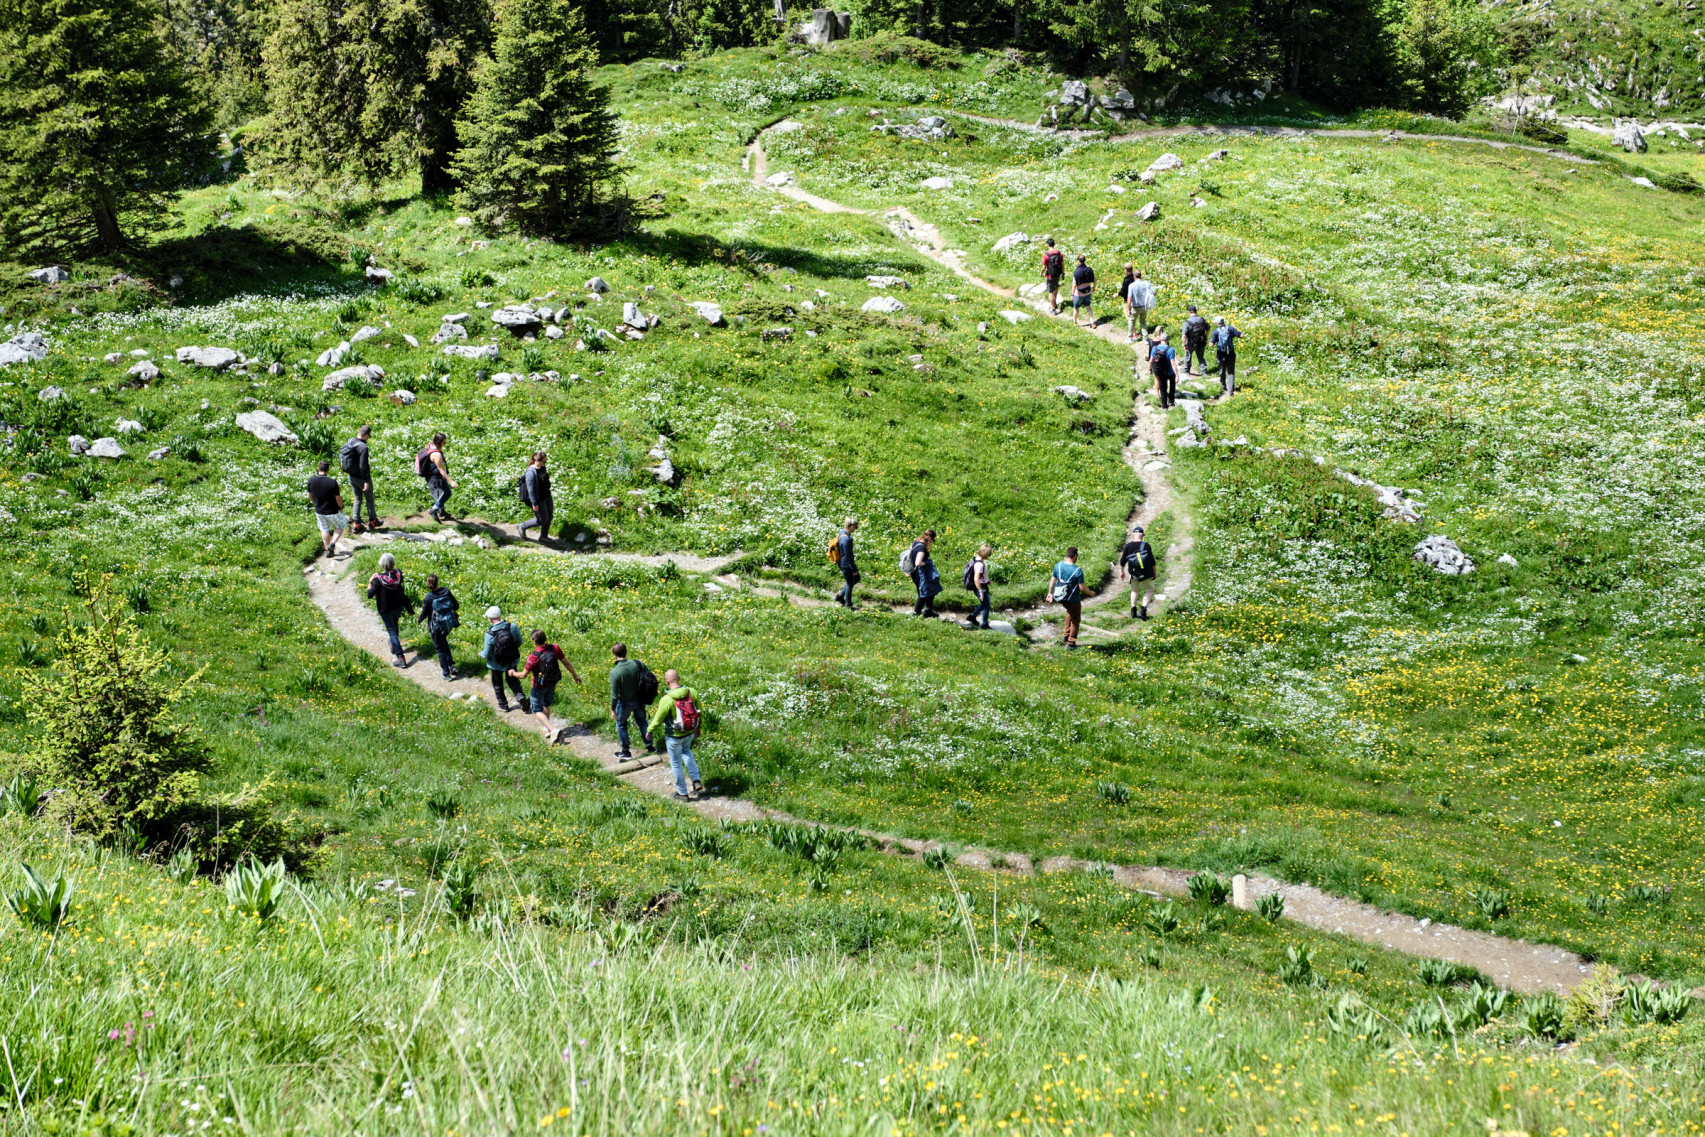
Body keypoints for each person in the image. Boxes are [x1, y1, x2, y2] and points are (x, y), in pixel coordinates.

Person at [509, 629, 582, 743]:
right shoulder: (555, 648)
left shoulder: (533, 657)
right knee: (546, 704)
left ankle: (553, 730)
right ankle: (546, 729)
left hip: (539, 686)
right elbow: (566, 663)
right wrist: (575, 675)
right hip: (552, 682)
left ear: (534, 641)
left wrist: (512, 673)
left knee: (536, 709)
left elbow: (523, 675)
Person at [647, 669, 704, 801]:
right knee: (687, 752)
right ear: (679, 678)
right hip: (689, 731)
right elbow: (700, 712)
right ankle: (696, 780)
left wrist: (650, 730)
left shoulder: (667, 699)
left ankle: (683, 793)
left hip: (674, 736)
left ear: (667, 682)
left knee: (676, 763)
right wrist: (699, 727)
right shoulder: (692, 692)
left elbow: (658, 719)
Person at [608, 642, 656, 760]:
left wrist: (613, 709)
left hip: (624, 703)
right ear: (626, 651)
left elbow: (614, 695)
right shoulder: (638, 664)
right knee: (642, 722)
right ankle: (650, 746)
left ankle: (626, 752)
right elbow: (650, 678)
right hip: (640, 700)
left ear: (614, 654)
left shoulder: (615, 672)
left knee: (621, 724)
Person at [365, 552, 414, 667]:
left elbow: (369, 594)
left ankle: (400, 658)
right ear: (393, 563)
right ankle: (394, 646)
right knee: (394, 626)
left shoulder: (377, 579)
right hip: (398, 606)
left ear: (381, 564)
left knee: (392, 632)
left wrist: (370, 582)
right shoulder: (398, 574)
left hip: (385, 608)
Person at [479, 606, 526, 712]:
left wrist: (480, 654)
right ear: (500, 615)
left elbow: (486, 653)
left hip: (496, 664)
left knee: (497, 684)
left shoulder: (489, 634)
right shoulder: (512, 627)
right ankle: (520, 697)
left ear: (490, 618)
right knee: (513, 680)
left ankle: (503, 705)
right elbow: (519, 641)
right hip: (511, 660)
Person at [417, 573, 461, 681]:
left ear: (428, 584)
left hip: (436, 626)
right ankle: (451, 665)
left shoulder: (429, 598)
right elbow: (456, 606)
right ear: (437, 582)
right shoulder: (446, 591)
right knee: (444, 642)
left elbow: (424, 613)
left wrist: (419, 620)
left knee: (439, 648)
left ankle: (446, 673)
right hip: (448, 624)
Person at [339, 425, 379, 533]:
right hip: (362, 478)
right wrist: (366, 481)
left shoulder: (350, 441)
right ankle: (373, 520)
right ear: (365, 435)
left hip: (352, 476)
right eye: (369, 436)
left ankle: (356, 524)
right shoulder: (363, 447)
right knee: (369, 498)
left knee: (357, 499)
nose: (369, 438)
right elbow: (363, 466)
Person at [305, 460, 348, 558]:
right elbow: (338, 498)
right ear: (328, 470)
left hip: (319, 511)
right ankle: (332, 544)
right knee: (341, 525)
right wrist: (341, 507)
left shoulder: (311, 480)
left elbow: (309, 495)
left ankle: (327, 550)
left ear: (318, 468)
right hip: (332, 510)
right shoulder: (332, 482)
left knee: (324, 529)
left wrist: (315, 502)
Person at [1050, 547, 1086, 649]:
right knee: (1075, 619)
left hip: (1061, 597)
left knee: (1069, 613)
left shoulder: (1058, 565)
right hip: (1073, 599)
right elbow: (1082, 588)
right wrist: (1091, 593)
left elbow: (1053, 580)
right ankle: (1071, 643)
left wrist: (1050, 593)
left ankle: (1065, 636)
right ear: (1075, 556)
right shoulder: (1077, 570)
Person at [417, 432, 457, 522]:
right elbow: (441, 470)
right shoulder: (437, 455)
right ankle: (433, 510)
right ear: (440, 443)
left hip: (431, 475)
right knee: (447, 493)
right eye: (444, 442)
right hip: (435, 477)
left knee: (440, 493)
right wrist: (451, 482)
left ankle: (441, 512)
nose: (445, 444)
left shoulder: (431, 444)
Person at [1121, 527, 1158, 620]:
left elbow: (1122, 562)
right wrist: (1154, 573)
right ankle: (1143, 609)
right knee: (1149, 590)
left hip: (1133, 573)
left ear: (1133, 535)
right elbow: (1152, 561)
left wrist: (1122, 572)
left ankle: (1133, 611)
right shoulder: (1146, 545)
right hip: (1146, 573)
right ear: (1142, 536)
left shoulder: (1127, 546)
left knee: (1134, 591)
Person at [517, 451, 553, 541]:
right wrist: (534, 503)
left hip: (547, 496)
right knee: (542, 520)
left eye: (545, 461)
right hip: (538, 500)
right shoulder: (531, 472)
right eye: (544, 461)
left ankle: (543, 536)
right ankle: (522, 526)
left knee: (549, 516)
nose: (545, 463)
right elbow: (531, 489)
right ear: (537, 460)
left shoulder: (542, 467)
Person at [906, 529, 940, 618]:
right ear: (930, 538)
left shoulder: (915, 542)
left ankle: (928, 611)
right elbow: (918, 563)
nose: (932, 542)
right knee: (923, 593)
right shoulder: (921, 548)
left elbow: (910, 553)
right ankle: (916, 613)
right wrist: (928, 563)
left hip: (914, 572)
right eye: (933, 540)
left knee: (929, 591)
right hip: (920, 574)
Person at [962, 544, 993, 630]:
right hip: (981, 587)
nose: (989, 556)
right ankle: (984, 624)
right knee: (986, 606)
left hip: (981, 585)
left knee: (984, 604)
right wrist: (980, 591)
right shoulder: (980, 565)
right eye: (989, 554)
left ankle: (972, 616)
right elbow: (976, 579)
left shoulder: (975, 559)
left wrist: (987, 580)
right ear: (985, 553)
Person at [1212, 316, 1243, 396]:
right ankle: (1230, 391)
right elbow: (1241, 335)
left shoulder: (1216, 331)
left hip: (1221, 354)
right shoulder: (1230, 328)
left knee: (1222, 370)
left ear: (1217, 323)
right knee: (1231, 372)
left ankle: (1223, 386)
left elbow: (1211, 344)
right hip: (1231, 353)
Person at [834, 517, 860, 608]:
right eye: (856, 528)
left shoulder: (842, 532)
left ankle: (840, 595)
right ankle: (848, 605)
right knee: (850, 583)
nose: (855, 530)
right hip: (846, 564)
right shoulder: (846, 540)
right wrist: (854, 569)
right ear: (852, 527)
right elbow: (849, 557)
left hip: (842, 562)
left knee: (856, 579)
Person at [1126, 270, 1156, 343]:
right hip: (1144, 306)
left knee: (1132, 321)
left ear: (1134, 276)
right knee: (1143, 322)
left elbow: (1129, 299)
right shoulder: (1146, 283)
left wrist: (1128, 309)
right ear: (1140, 276)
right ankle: (1145, 338)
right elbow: (1154, 292)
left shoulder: (1131, 286)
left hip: (1135, 307)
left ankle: (1129, 338)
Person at [1150, 332, 1178, 408]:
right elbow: (1173, 363)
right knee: (1172, 386)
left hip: (1160, 372)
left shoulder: (1154, 348)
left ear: (1160, 339)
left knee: (1163, 389)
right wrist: (1177, 375)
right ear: (1167, 340)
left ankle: (1164, 405)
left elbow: (1151, 360)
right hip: (1170, 372)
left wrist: (1150, 369)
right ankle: (1171, 401)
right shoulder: (1170, 349)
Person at [1182, 306, 1210, 376]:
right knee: (1201, 356)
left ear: (1188, 312)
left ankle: (1187, 370)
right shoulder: (1202, 320)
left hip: (1191, 342)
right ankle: (1203, 372)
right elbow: (1208, 329)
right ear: (1196, 311)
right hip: (1201, 341)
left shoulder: (1187, 322)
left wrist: (1184, 344)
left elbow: (1184, 335)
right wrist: (1206, 337)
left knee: (1188, 355)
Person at [1071, 255, 1096, 327]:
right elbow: (1095, 279)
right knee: (1088, 307)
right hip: (1088, 291)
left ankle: (1075, 323)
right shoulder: (1089, 269)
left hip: (1078, 293)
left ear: (1078, 261)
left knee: (1076, 308)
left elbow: (1074, 284)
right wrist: (1094, 287)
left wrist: (1072, 294)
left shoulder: (1076, 272)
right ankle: (1092, 322)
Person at [1041, 239, 1064, 314]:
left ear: (1048, 245)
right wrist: (1063, 273)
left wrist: (1041, 272)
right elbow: (1062, 264)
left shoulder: (1046, 255)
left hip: (1050, 275)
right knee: (1056, 288)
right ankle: (1055, 303)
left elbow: (1044, 267)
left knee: (1050, 292)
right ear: (1054, 244)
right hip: (1057, 274)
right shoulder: (1059, 253)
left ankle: (1053, 309)